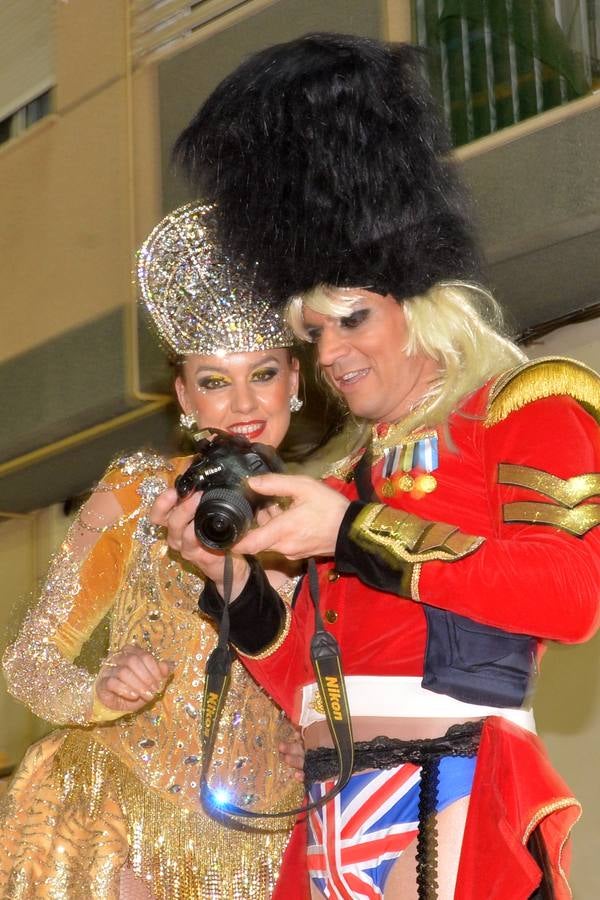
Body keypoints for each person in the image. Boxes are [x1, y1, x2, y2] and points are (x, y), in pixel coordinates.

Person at [158, 34, 600, 899]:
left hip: (456, 789)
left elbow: (571, 596)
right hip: (328, 807)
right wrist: (233, 583)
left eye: (353, 319)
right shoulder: (339, 466)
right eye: (316, 332)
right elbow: (306, 686)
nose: (332, 352)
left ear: (422, 307)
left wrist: (354, 530)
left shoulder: (526, 403)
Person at [0, 202, 309, 900]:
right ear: (183, 396)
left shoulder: (329, 523)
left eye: (263, 373)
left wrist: (314, 740)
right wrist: (100, 690)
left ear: (296, 379)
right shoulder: (139, 492)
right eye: (213, 381)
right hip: (119, 817)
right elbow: (29, 659)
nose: (242, 402)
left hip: (266, 844)